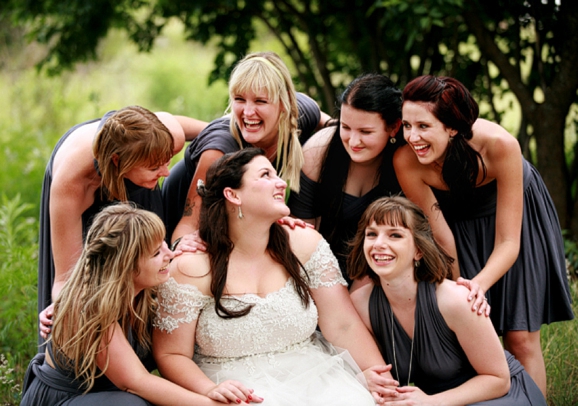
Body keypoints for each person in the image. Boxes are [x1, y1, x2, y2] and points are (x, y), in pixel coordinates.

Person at [152, 148, 399, 405]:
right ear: (232, 194)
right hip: (234, 388)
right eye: (266, 175)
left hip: (315, 378)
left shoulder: (304, 243)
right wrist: (208, 389)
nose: (281, 182)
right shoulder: (190, 267)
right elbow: (171, 353)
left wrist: (375, 375)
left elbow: (342, 324)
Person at [393, 75, 574, 397]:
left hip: (515, 219)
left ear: (451, 127)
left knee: (520, 337)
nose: (412, 137)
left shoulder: (500, 146)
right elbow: (441, 234)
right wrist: (462, 289)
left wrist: (480, 284)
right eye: (407, 125)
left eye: (423, 126)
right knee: (478, 335)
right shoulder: (406, 161)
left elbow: (508, 241)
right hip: (457, 227)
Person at [348, 196, 546, 405]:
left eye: (395, 235)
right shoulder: (360, 304)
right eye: (371, 234)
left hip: (495, 396)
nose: (379, 244)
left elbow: (499, 380)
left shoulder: (454, 300)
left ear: (419, 250)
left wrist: (432, 403)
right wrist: (363, 377)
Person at [22, 204, 223, 405]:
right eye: (155, 254)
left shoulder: (148, 292)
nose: (170, 254)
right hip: (67, 398)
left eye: (163, 243)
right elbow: (136, 381)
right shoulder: (88, 306)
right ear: (125, 266)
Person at [37, 105, 207, 342]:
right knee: (92, 295)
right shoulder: (74, 183)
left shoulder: (165, 137)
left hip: (131, 164)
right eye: (155, 167)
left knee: (147, 261)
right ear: (119, 161)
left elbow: (214, 133)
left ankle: (144, 349)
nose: (166, 173)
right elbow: (66, 277)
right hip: (87, 182)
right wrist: (65, 305)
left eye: (167, 161)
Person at [162, 51, 330, 251]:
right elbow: (188, 224)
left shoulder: (299, 115)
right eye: (239, 99)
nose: (248, 112)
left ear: (284, 103)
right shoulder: (219, 151)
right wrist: (181, 245)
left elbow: (332, 125)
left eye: (260, 101)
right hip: (180, 219)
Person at [288, 73, 404, 281]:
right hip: (320, 268)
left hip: (389, 269)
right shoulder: (318, 153)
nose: (353, 141)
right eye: (346, 127)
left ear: (394, 127)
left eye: (366, 132)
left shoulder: (406, 159)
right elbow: (299, 235)